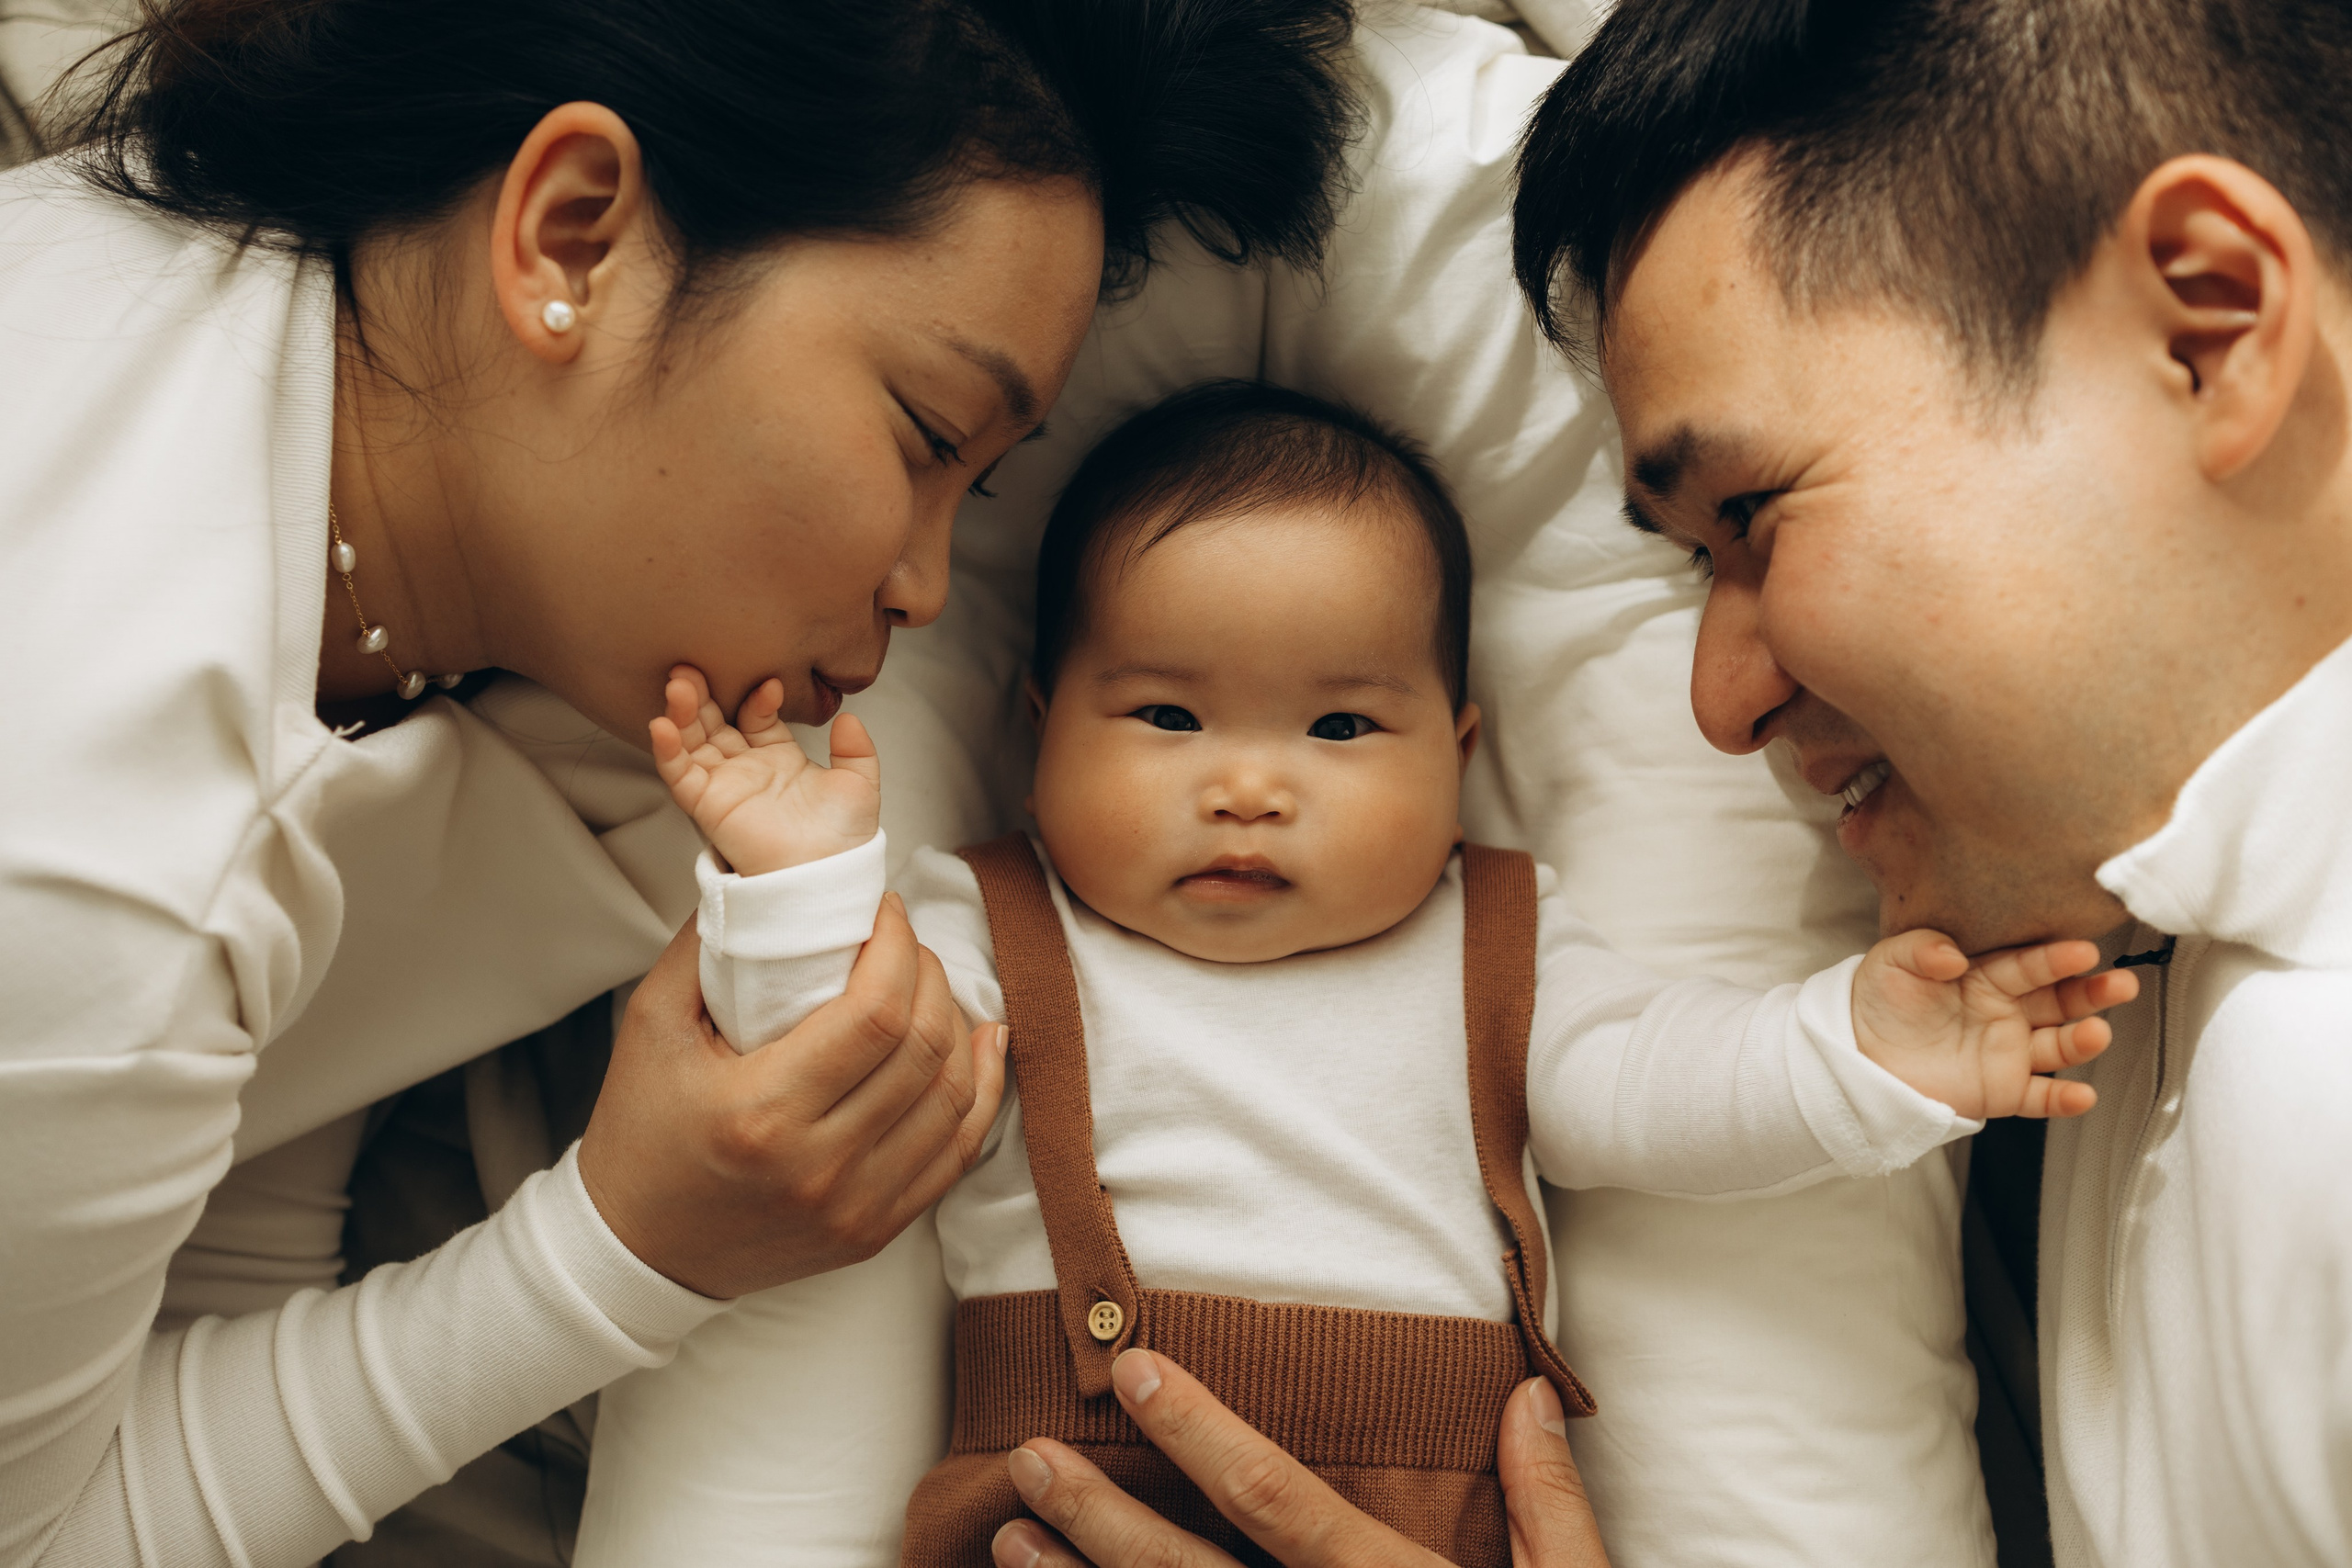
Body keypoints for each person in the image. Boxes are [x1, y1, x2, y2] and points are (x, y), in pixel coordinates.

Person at [0, 2, 1371, 1562]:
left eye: (976, 485)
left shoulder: (245, 355)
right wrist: (622, 1249)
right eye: (926, 434)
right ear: (573, 237)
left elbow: (228, 1171)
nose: (929, 586)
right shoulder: (94, 869)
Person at [637, 380, 2133, 1564]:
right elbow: (830, 1061)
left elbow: (1654, 1093)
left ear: (1458, 756)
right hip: (1055, 1501)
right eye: (1166, 716)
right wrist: (792, 882)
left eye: (1340, 730)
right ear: (1037, 730)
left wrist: (1861, 1049)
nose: (1247, 788)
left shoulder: (1496, 942)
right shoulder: (990, 924)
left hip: (1433, 1519)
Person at [1498, 0, 2352, 1563]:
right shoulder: (2127, 907)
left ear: (2213, 327)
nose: (1718, 702)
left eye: (1753, 514)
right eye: (1696, 569)